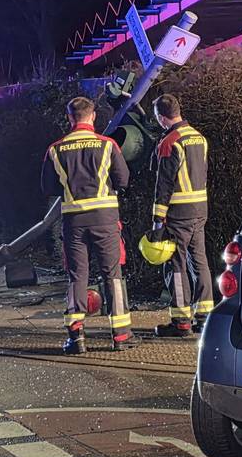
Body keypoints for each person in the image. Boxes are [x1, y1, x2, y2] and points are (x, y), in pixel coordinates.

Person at [40, 96, 136, 354]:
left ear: (69, 118)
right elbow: (123, 179)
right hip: (105, 219)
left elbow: (48, 188)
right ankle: (121, 335)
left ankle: (76, 337)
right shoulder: (107, 145)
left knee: (77, 276)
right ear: (92, 116)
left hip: (74, 221)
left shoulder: (55, 149)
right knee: (112, 274)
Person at [149, 93, 214, 337]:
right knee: (199, 262)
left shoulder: (170, 141)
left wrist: (158, 218)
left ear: (162, 118)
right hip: (200, 209)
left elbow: (164, 184)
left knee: (175, 264)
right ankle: (205, 316)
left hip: (178, 212)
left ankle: (181, 321)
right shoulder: (199, 137)